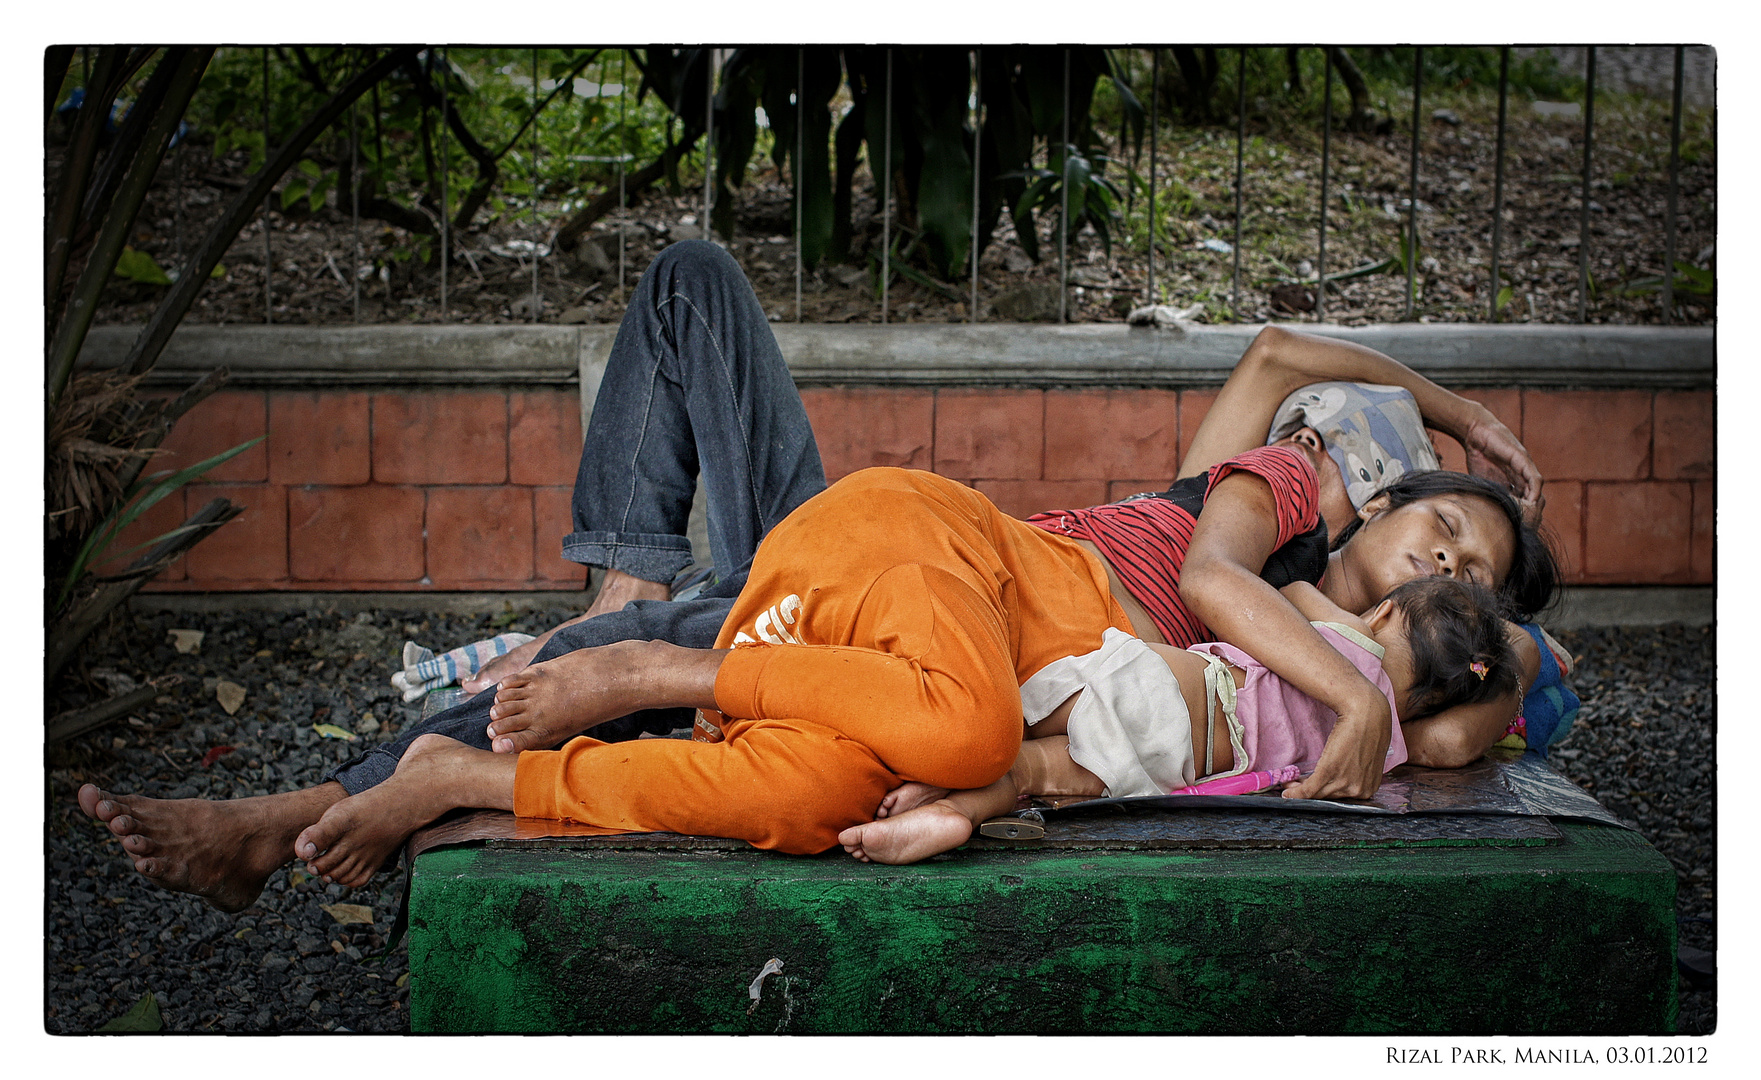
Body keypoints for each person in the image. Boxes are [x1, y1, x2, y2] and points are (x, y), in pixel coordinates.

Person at [77, 240, 1557, 908]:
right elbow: (1280, 357)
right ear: (1392, 488)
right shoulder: (1251, 504)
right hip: (899, 561)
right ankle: (624, 605)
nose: (1446, 548)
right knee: (692, 279)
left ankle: (296, 818)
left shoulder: (1322, 613)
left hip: (921, 638)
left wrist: (1386, 683)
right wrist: (1455, 411)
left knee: (723, 640)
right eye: (1445, 520)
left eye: (1466, 569)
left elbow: (1502, 692)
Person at [839, 575, 1518, 866]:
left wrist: (1351, 618)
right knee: (1031, 772)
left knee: (1003, 722)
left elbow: (1290, 592)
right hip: (1178, 759)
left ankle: (920, 771)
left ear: (1381, 614)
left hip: (1157, 679)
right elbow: (1452, 746)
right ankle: (951, 817)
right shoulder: (1384, 749)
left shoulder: (1330, 640)